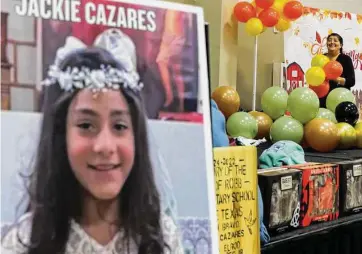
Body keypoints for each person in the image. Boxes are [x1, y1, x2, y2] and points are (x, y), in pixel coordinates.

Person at [1, 47, 183, 253]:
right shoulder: (24, 242)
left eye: (119, 126)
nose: (105, 146)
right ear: (61, 136)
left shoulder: (161, 236)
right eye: (86, 126)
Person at [320, 33, 356, 108]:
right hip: (322, 98)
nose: (332, 42)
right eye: (329, 40)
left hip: (340, 99)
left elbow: (351, 81)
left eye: (335, 40)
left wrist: (336, 79)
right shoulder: (321, 58)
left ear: (341, 45)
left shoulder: (346, 59)